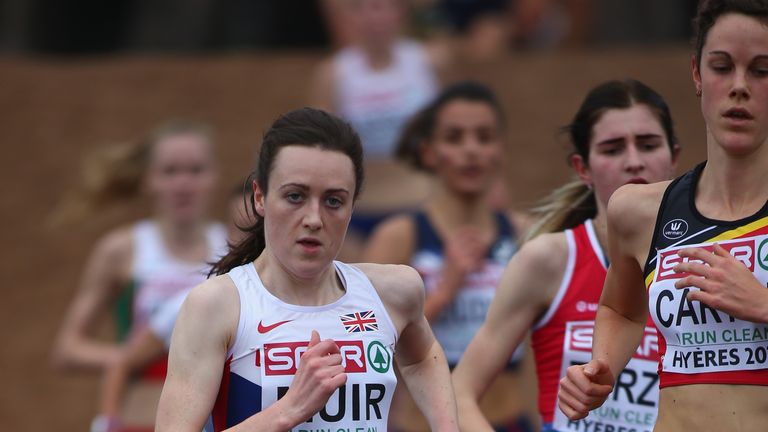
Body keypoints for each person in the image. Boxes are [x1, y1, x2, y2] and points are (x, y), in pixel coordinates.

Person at [154, 107, 459, 431]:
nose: (314, 218)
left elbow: (423, 356)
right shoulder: (218, 305)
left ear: (352, 206)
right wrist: (290, 409)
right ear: (260, 197)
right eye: (295, 196)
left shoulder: (393, 291)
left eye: (333, 201)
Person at [558, 1, 768, 430]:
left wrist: (763, 304)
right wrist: (602, 367)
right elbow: (622, 309)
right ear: (697, 73)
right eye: (722, 66)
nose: (739, 87)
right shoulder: (638, 210)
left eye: (762, 70)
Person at [452, 79, 681, 432]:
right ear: (583, 168)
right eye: (612, 149)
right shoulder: (549, 259)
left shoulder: (702, 259)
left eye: (648, 145)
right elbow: (457, 393)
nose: (634, 162)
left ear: (673, 158)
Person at [363, 81, 535, 431]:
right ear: (429, 152)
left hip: (508, 420)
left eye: (484, 137)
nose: (471, 150)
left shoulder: (528, 233)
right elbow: (367, 342)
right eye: (454, 138)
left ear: (499, 150)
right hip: (422, 424)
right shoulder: (398, 236)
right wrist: (445, 290)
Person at [50, 121, 228, 430]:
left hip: (214, 420)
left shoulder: (233, 248)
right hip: (139, 418)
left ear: (213, 177)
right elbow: (67, 348)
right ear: (148, 180)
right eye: (170, 172)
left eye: (195, 170)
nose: (183, 183)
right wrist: (131, 357)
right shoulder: (122, 249)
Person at [91, 185, 255, 432]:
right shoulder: (196, 301)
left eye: (259, 227)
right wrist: (106, 425)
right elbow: (122, 363)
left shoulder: (315, 301)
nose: (252, 239)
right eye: (242, 229)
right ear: (226, 234)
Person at [312, 0, 447, 259]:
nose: (373, 17)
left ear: (400, 12)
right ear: (350, 17)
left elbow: (456, 124)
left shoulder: (429, 61)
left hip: (419, 200)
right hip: (361, 207)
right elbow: (321, 146)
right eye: (362, 8)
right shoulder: (334, 73)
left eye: (381, 6)